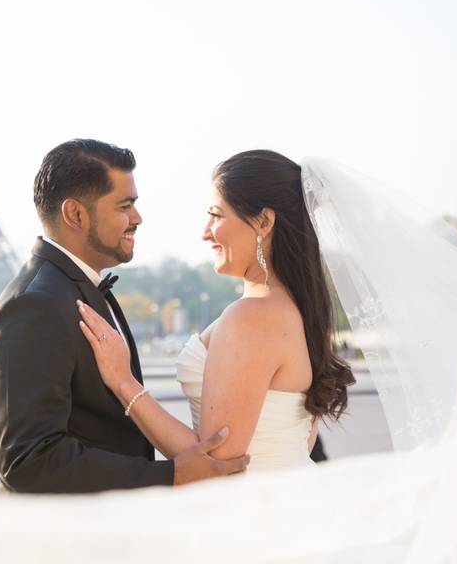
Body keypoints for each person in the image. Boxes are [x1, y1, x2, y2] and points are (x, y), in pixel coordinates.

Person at [0, 139, 249, 494]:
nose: (138, 218)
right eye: (125, 206)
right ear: (75, 214)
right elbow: (28, 461)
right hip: (66, 543)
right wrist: (170, 475)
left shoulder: (74, 290)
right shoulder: (33, 307)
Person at [78, 150, 355, 470]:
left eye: (216, 215)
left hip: (253, 509)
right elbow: (299, 439)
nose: (205, 232)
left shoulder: (254, 316)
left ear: (263, 221)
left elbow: (215, 462)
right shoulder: (299, 309)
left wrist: (123, 383)